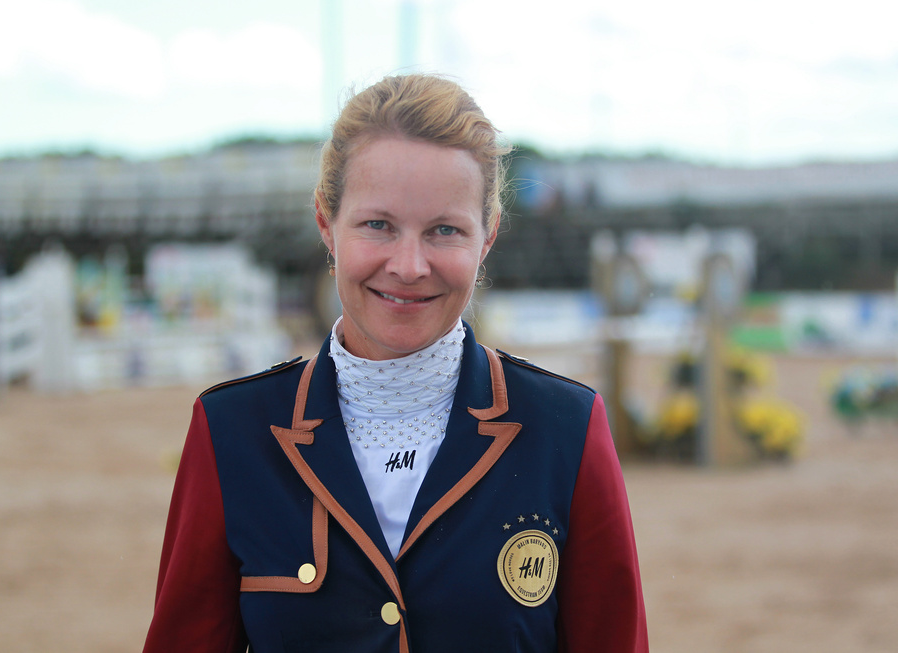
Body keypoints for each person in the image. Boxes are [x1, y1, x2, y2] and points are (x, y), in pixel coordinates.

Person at [143, 73, 648, 653]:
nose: (409, 266)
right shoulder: (231, 432)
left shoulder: (567, 429)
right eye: (378, 225)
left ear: (487, 238)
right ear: (326, 224)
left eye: (444, 231)